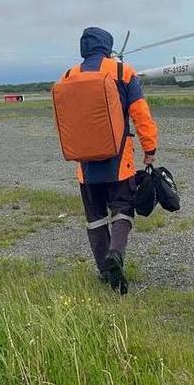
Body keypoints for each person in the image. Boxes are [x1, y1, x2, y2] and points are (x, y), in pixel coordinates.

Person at [66, 27, 158, 295]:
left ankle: (105, 272)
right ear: (107, 46)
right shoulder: (123, 72)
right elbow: (141, 113)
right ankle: (116, 253)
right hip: (119, 158)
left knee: (95, 218)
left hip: (84, 161)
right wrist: (149, 147)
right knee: (122, 208)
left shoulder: (69, 75)